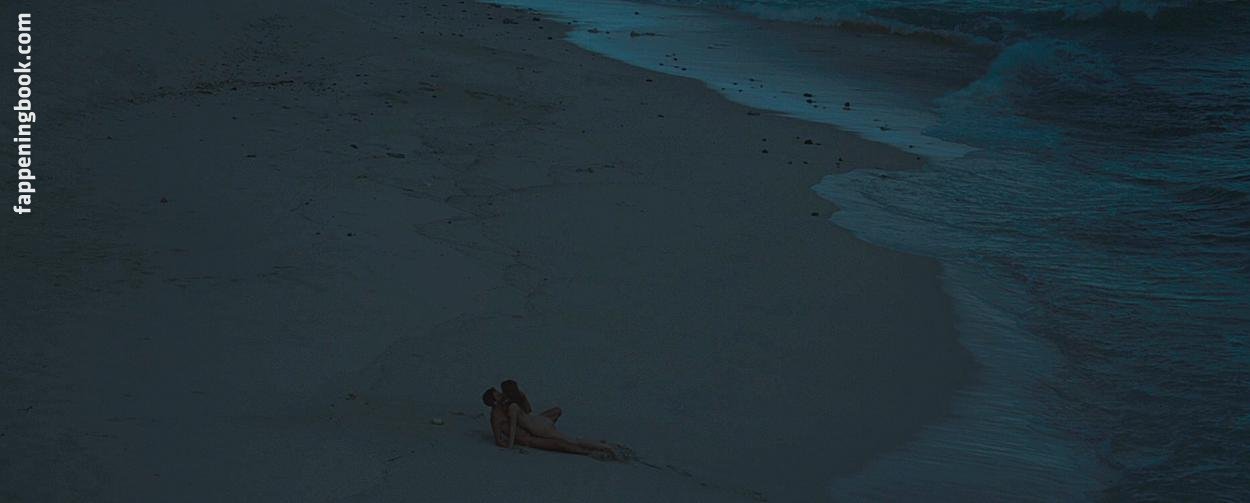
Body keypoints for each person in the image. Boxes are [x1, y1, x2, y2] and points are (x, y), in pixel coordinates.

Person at [482, 381, 616, 460]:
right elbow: (500, 437)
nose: (500, 394)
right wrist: (509, 443)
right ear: (494, 402)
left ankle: (598, 447)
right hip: (533, 431)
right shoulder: (497, 415)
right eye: (497, 394)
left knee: (569, 439)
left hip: (536, 428)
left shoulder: (508, 405)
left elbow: (525, 413)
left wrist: (510, 444)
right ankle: (592, 449)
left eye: (499, 392)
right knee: (562, 443)